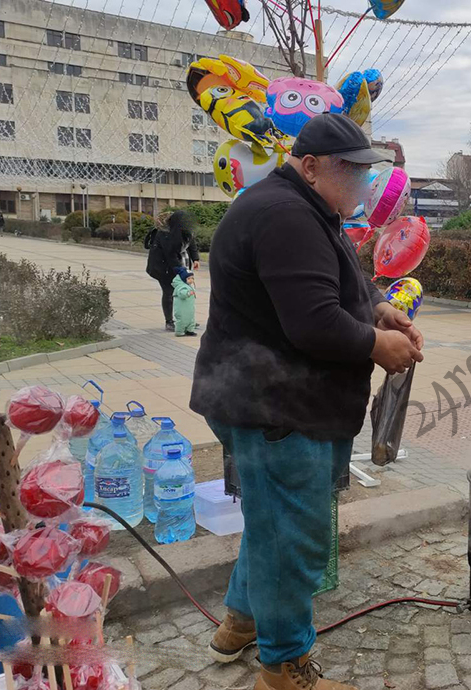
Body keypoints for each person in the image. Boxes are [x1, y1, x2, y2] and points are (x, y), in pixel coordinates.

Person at [191, 114, 422, 690]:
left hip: (266, 399)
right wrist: (377, 345)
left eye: (370, 171)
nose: (366, 183)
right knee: (292, 538)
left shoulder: (307, 207)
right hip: (275, 409)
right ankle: (285, 667)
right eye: (356, 171)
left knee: (270, 522)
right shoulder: (285, 214)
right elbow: (314, 320)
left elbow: (335, 280)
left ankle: (241, 623)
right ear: (313, 166)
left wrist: (376, 307)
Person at [145, 211, 200, 331]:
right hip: (163, 268)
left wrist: (195, 259)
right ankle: (169, 322)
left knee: (185, 292)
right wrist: (182, 273)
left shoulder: (185, 230)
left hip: (180, 263)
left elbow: (191, 243)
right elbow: (170, 256)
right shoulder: (164, 234)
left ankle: (186, 319)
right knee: (169, 292)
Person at [171, 266, 197, 337]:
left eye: (192, 278)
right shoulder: (181, 286)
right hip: (182, 308)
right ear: (183, 279)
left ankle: (190, 330)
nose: (191, 280)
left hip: (189, 307)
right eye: (189, 278)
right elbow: (181, 294)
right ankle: (179, 331)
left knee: (191, 319)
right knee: (182, 320)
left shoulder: (188, 285)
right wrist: (188, 293)